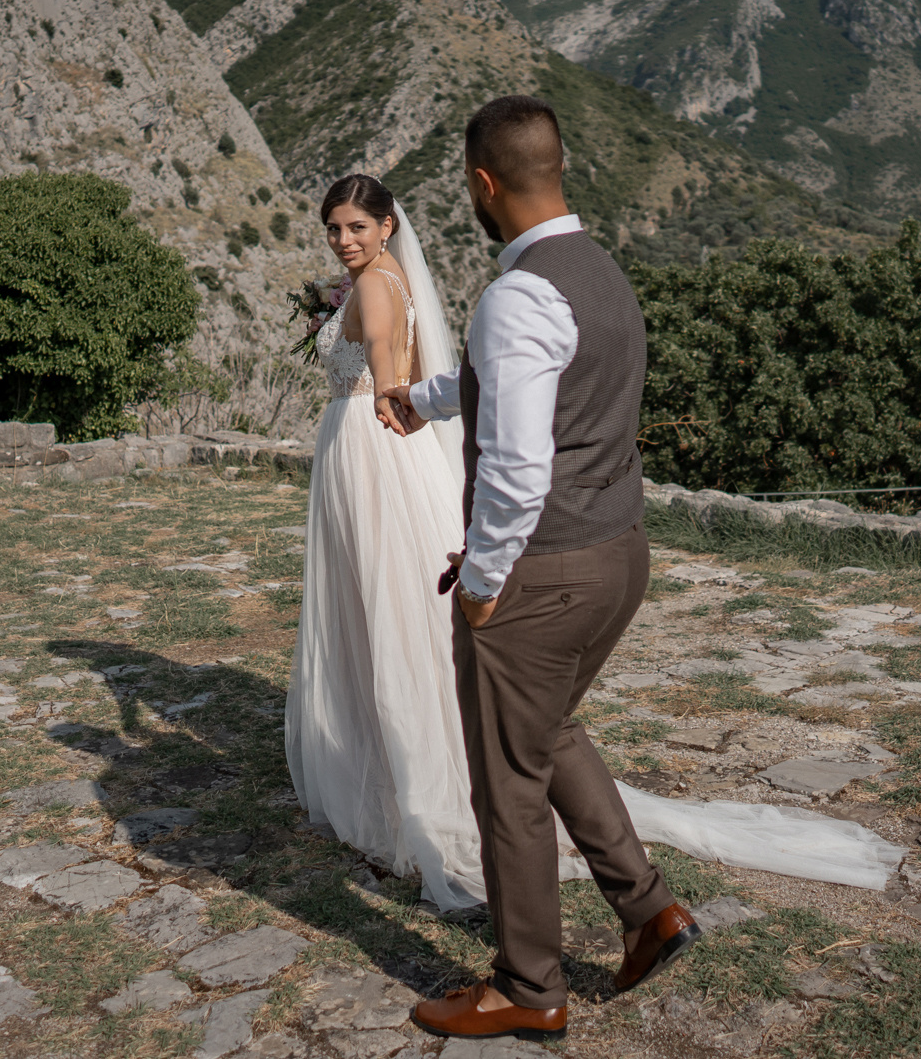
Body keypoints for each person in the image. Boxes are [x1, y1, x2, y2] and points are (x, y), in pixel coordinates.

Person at [382, 95, 698, 1044]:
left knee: (508, 782)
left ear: (483, 184)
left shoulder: (517, 295)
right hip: (619, 554)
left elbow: (519, 466)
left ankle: (528, 985)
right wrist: (429, 397)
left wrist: (483, 582)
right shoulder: (599, 271)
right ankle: (649, 911)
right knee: (550, 730)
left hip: (544, 572)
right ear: (556, 168)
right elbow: (527, 382)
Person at [284, 172, 487, 914]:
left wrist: (377, 400)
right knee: (388, 601)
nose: (344, 241)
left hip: (366, 450)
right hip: (376, 448)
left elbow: (384, 371)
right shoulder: (389, 278)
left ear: (387, 227)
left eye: (357, 228)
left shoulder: (372, 286)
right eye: (334, 229)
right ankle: (398, 756)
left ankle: (400, 783)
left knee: (377, 602)